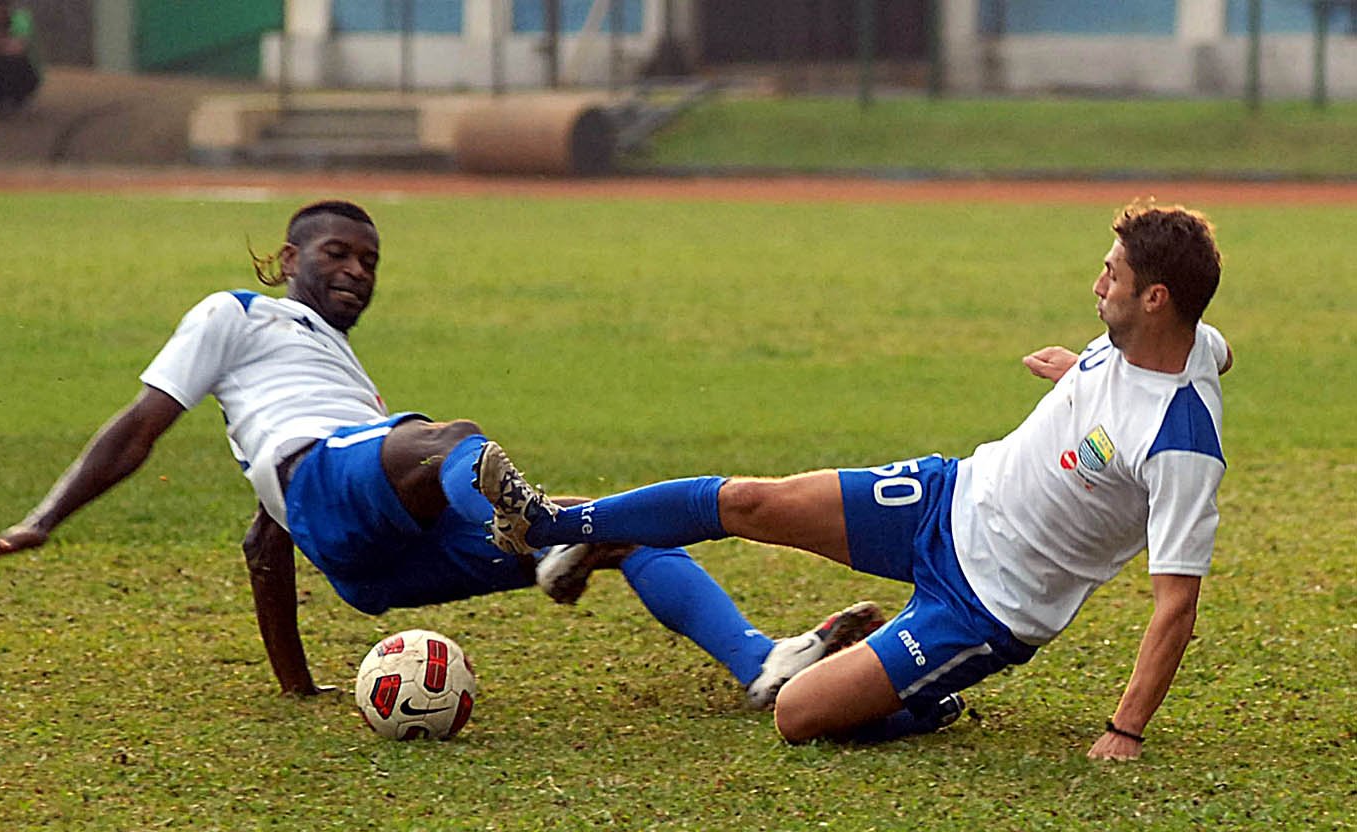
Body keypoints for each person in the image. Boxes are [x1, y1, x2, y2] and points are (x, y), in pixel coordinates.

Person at [0, 199, 885, 710]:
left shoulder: (343, 382)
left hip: (363, 556)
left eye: (370, 262)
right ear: (289, 256)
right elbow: (140, 422)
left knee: (625, 530)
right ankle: (551, 539)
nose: (356, 270)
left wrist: (295, 686)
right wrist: (42, 519)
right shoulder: (239, 312)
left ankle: (759, 663)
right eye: (339, 253)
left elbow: (266, 544)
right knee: (452, 443)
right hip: (343, 482)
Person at [476, 200, 1234, 760]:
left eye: (1112, 273)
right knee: (748, 500)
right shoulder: (1184, 340)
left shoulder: (1181, 442)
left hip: (987, 603)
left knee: (797, 715)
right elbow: (1198, 360)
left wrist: (1122, 730)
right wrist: (1080, 375)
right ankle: (548, 523)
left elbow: (1175, 603)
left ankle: (926, 700)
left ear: (1156, 299)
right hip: (946, 495)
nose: (1095, 280)